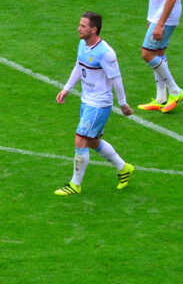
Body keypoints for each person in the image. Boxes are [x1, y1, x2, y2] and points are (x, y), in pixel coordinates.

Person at [54, 12, 136, 195]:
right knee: (92, 141)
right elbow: (79, 65)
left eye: (83, 26)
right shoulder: (82, 44)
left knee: (80, 139)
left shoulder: (106, 53)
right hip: (86, 100)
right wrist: (66, 88)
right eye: (79, 24)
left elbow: (116, 78)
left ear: (94, 29)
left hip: (99, 104)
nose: (79, 28)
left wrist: (123, 104)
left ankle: (75, 185)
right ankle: (124, 168)